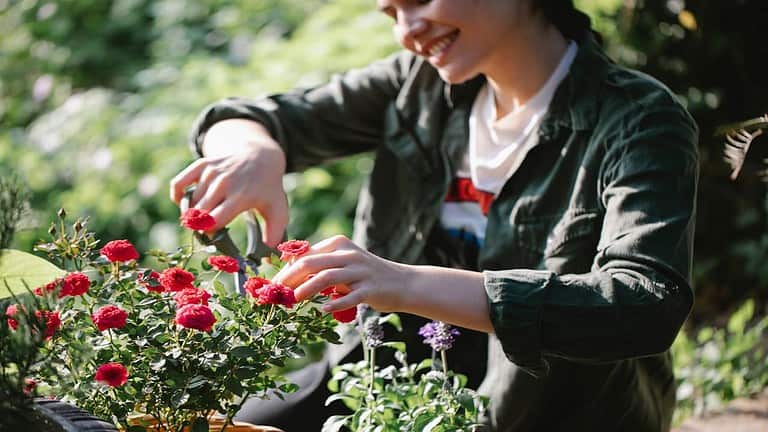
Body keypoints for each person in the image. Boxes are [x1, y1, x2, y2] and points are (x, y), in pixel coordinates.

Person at [170, 0, 699, 430]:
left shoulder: (637, 119)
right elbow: (248, 117)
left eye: (419, 2)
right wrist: (253, 152)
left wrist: (401, 283)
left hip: (547, 412)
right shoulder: (414, 83)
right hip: (378, 383)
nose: (407, 31)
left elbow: (641, 306)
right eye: (391, 13)